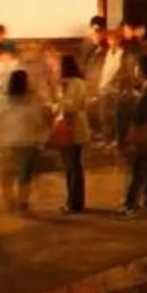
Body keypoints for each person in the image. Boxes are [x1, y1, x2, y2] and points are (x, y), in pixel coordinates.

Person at [0, 67, 49, 214]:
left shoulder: (1, 100)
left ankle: (9, 201)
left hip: (6, 142)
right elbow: (38, 121)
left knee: (7, 175)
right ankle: (22, 202)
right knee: (24, 175)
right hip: (26, 141)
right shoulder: (32, 101)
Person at [118, 50, 147, 215]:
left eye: (137, 67)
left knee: (138, 168)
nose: (135, 70)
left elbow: (140, 114)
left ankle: (131, 203)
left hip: (144, 132)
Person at [52, 43, 94, 213]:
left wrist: (56, 105)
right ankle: (75, 202)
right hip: (73, 128)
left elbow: (71, 106)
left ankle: (74, 203)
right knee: (73, 166)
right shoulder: (74, 83)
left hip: (72, 128)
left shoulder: (72, 84)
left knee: (72, 167)